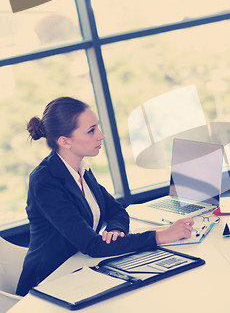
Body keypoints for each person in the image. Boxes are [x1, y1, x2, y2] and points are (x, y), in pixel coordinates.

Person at [17, 97, 194, 296]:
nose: (101, 136)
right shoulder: (44, 181)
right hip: (49, 282)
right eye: (91, 131)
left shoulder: (81, 169)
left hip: (81, 270)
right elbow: (92, 245)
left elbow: (117, 211)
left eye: (97, 127)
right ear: (65, 141)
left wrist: (116, 231)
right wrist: (162, 235)